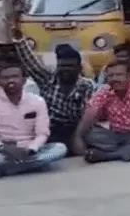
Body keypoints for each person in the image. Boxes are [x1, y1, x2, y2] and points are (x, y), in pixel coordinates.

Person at [12, 25, 95, 155]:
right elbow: (31, 63)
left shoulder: (87, 85)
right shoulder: (47, 79)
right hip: (50, 128)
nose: (65, 69)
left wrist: (78, 137)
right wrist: (19, 39)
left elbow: (86, 115)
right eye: (62, 66)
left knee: (99, 137)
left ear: (79, 68)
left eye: (70, 66)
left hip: (76, 128)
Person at [72, 61, 130, 163]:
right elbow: (91, 112)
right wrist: (78, 137)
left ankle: (108, 155)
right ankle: (129, 151)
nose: (114, 79)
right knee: (88, 133)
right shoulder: (105, 90)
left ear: (129, 76)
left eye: (119, 75)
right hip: (115, 135)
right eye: (111, 76)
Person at [0, 62, 66, 177]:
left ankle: (9, 170)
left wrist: (30, 149)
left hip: (30, 150)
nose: (10, 81)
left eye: (14, 76)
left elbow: (42, 133)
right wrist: (4, 147)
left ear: (24, 80)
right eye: (5, 78)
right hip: (2, 150)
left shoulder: (37, 101)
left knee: (60, 149)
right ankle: (35, 165)